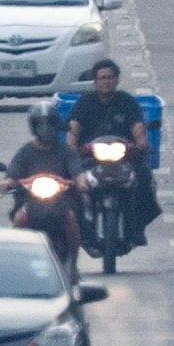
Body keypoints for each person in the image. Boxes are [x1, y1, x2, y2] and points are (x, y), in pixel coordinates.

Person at [63, 58, 159, 238]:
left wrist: (141, 142)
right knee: (68, 185)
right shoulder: (85, 102)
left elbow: (137, 125)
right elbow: (73, 127)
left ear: (116, 79)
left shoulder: (126, 101)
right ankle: (77, 228)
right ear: (95, 81)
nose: (106, 81)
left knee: (144, 178)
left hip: (124, 156)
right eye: (102, 77)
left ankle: (137, 226)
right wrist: (71, 146)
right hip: (90, 157)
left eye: (110, 77)